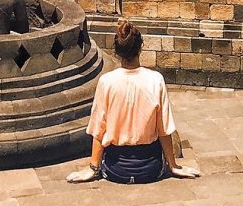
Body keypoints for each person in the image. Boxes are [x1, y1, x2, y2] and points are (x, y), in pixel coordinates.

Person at [67, 19, 200, 184]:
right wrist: (173, 165)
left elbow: (99, 130)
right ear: (140, 48)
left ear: (117, 51)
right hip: (151, 168)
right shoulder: (155, 80)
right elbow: (164, 129)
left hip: (115, 169)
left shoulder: (106, 82)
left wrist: (93, 168)